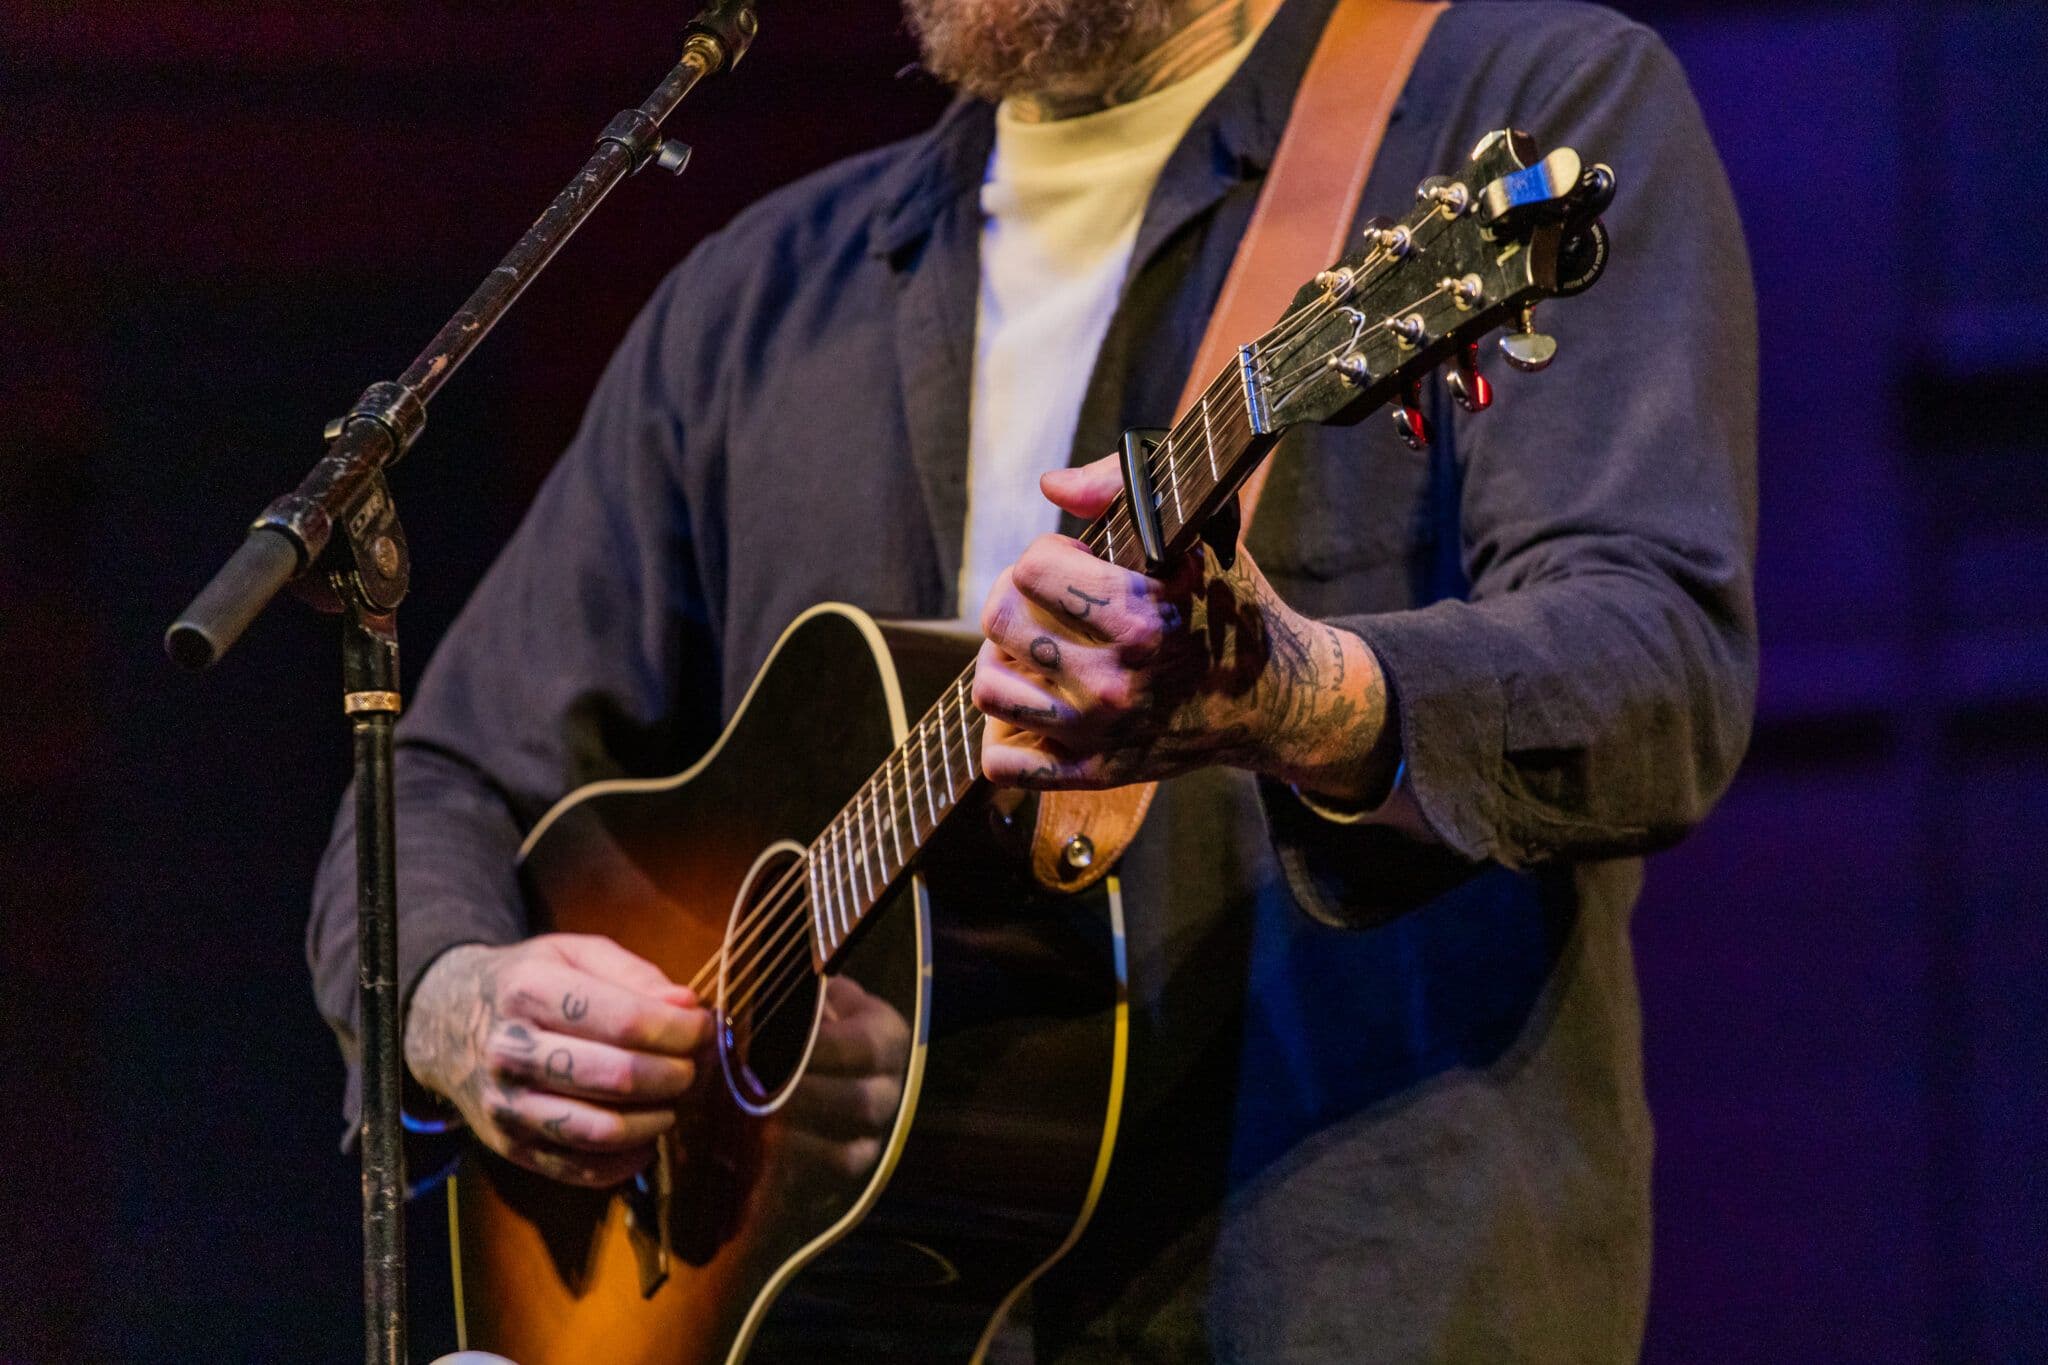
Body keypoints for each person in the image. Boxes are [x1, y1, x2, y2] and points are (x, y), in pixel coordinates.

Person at [310, 0, 1757, 1358]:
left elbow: (1658, 669)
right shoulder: (756, 304)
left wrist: (1299, 695)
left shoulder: (1506, 113)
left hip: (1341, 1292)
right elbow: (438, 782)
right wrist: (460, 1001)